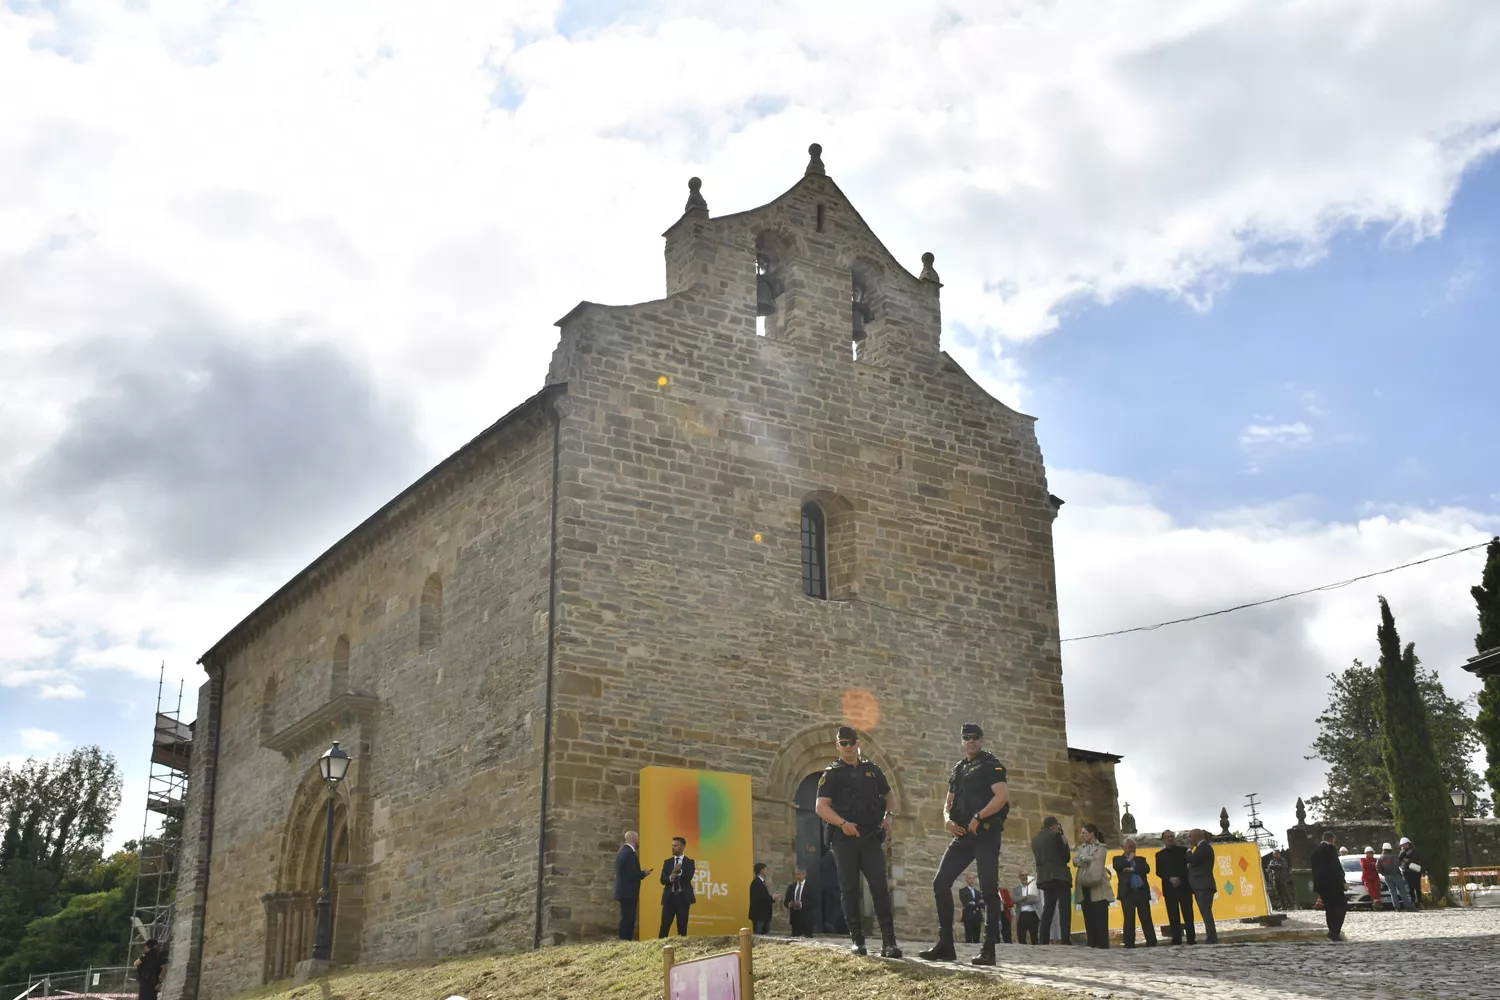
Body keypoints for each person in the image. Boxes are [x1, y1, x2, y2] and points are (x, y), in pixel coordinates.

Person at [919, 722, 1010, 966]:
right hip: (963, 834)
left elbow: (1002, 797)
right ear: (961, 740)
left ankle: (989, 948)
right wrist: (947, 821)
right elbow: (947, 804)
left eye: (975, 737)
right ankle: (946, 945)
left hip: (986, 833)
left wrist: (979, 818)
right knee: (940, 882)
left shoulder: (991, 764)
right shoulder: (959, 769)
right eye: (966, 737)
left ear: (981, 740)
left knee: (989, 888)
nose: (971, 741)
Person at [814, 725, 902, 958]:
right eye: (843, 743)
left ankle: (889, 943)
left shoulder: (872, 770)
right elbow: (821, 807)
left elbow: (889, 794)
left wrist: (889, 818)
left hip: (871, 837)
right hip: (844, 839)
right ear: (838, 746)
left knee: (880, 888)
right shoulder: (832, 773)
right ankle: (858, 940)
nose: (848, 747)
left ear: (858, 744)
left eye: (852, 743)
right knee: (850, 889)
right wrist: (843, 824)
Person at [1030, 815, 1073, 945]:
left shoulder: (1035, 839)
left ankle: (1043, 939)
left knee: (1048, 907)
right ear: (1054, 826)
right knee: (1064, 907)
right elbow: (1065, 857)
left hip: (1044, 877)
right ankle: (1065, 938)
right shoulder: (1056, 836)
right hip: (1059, 876)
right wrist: (1065, 843)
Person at [1073, 824, 1113, 949]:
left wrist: (1083, 858)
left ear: (1092, 833)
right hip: (1084, 884)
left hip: (1098, 885)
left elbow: (1098, 859)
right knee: (1088, 916)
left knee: (1100, 916)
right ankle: (1092, 943)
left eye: (1084, 833)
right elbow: (1075, 861)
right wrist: (1087, 859)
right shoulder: (1081, 847)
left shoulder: (1101, 847)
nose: (1082, 835)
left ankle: (1102, 944)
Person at [1113, 838, 1156, 948]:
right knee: (1129, 919)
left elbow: (1146, 869)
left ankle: (1151, 941)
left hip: (1141, 892)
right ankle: (1129, 943)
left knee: (1146, 918)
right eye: (1130, 847)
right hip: (1128, 893)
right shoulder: (1118, 859)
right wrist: (1129, 861)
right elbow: (1118, 867)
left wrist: (1131, 869)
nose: (1132, 849)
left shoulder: (1141, 859)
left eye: (1134, 847)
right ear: (1123, 848)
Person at [1156, 829, 1194, 945]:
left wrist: (1180, 879)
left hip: (1184, 887)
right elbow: (1159, 871)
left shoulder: (1183, 851)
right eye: (1168, 837)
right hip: (1169, 888)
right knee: (1173, 915)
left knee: (1188, 914)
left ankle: (1191, 939)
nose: (1170, 839)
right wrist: (1170, 879)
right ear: (1164, 839)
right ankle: (1176, 939)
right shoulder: (1159, 854)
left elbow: (1188, 867)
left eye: (1172, 836)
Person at [613, 831, 652, 940]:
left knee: (626, 918)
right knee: (628, 919)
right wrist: (643, 873)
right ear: (634, 839)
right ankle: (625, 941)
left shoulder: (622, 852)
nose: (639, 841)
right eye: (638, 839)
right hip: (628, 892)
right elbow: (632, 873)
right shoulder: (629, 853)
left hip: (624, 892)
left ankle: (623, 940)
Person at [1310, 830, 1347, 941]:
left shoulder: (1315, 851)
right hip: (1333, 884)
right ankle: (1335, 931)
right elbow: (1336, 867)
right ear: (1332, 840)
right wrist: (1342, 881)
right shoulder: (1329, 849)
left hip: (1321, 885)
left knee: (1329, 908)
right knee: (1341, 906)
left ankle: (1332, 930)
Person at [658, 836, 696, 938]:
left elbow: (689, 876)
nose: (673, 848)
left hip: (683, 899)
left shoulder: (689, 862)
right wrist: (671, 876)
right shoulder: (668, 862)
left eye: (676, 845)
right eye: (672, 845)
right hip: (669, 898)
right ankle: (661, 948)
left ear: (683, 847)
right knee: (664, 926)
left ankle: (681, 949)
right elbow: (662, 880)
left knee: (682, 927)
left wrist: (680, 871)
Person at [1186, 829, 1218, 944]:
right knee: (1205, 912)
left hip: (1203, 885)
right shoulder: (1201, 848)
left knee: (1206, 912)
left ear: (1195, 837)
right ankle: (1211, 936)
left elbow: (1190, 859)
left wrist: (1189, 849)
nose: (1189, 839)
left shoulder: (1204, 847)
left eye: (1190, 836)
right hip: (1199, 885)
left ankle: (1212, 937)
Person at [749, 862, 781, 933]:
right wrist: (772, 897)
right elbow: (758, 898)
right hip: (759, 915)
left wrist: (773, 899)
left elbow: (764, 898)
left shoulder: (761, 882)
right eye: (766, 869)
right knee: (759, 937)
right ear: (762, 870)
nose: (767, 872)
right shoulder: (756, 883)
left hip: (764, 916)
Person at [1377, 844, 1410, 911]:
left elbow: (1378, 867)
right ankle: (1408, 906)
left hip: (1387, 877)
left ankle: (1396, 907)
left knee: (1392, 892)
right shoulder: (1394, 857)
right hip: (1396, 876)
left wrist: (1384, 874)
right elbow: (1400, 864)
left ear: (1383, 849)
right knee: (1402, 891)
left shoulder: (1380, 858)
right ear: (1390, 849)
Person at [784, 868, 815, 936]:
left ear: (804, 875)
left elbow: (814, 902)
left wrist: (801, 904)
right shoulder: (791, 887)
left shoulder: (811, 886)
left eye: (799, 874)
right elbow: (786, 902)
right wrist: (790, 904)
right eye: (796, 874)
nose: (797, 876)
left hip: (807, 920)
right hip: (795, 919)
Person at [1014, 871, 1041, 945]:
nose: (1024, 877)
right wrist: (1026, 897)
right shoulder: (1016, 889)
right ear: (1019, 877)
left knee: (1034, 935)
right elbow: (1014, 900)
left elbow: (1033, 899)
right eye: (1022, 875)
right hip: (1021, 915)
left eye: (1026, 875)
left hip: (1032, 914)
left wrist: (1021, 900)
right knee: (1020, 936)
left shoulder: (1033, 887)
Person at [1398, 837, 1423, 910]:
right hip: (1407, 872)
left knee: (1417, 887)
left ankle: (1420, 902)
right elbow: (1399, 860)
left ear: (1408, 844)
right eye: (1402, 845)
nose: (1403, 846)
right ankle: (1413, 903)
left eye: (1404, 844)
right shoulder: (1402, 853)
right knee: (1410, 888)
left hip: (1415, 872)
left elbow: (1417, 860)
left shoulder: (1415, 852)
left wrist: (1408, 861)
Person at [960, 873, 985, 944]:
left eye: (972, 878)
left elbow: (982, 904)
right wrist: (977, 903)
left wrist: (974, 903)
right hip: (968, 915)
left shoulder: (978, 892)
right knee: (968, 935)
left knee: (977, 935)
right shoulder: (962, 891)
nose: (971, 880)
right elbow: (965, 903)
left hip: (977, 915)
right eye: (969, 878)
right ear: (966, 880)